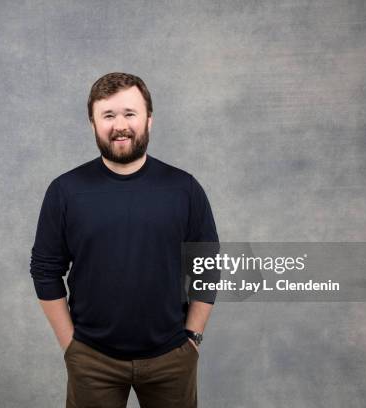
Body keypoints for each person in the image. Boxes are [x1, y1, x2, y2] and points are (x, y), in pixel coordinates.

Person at [30, 72, 219, 408]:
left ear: (149, 119)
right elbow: (45, 269)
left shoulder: (184, 188)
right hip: (92, 358)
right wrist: (69, 344)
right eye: (108, 115)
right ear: (93, 124)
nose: (120, 125)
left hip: (172, 357)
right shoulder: (65, 191)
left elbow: (208, 266)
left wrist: (193, 337)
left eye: (130, 114)